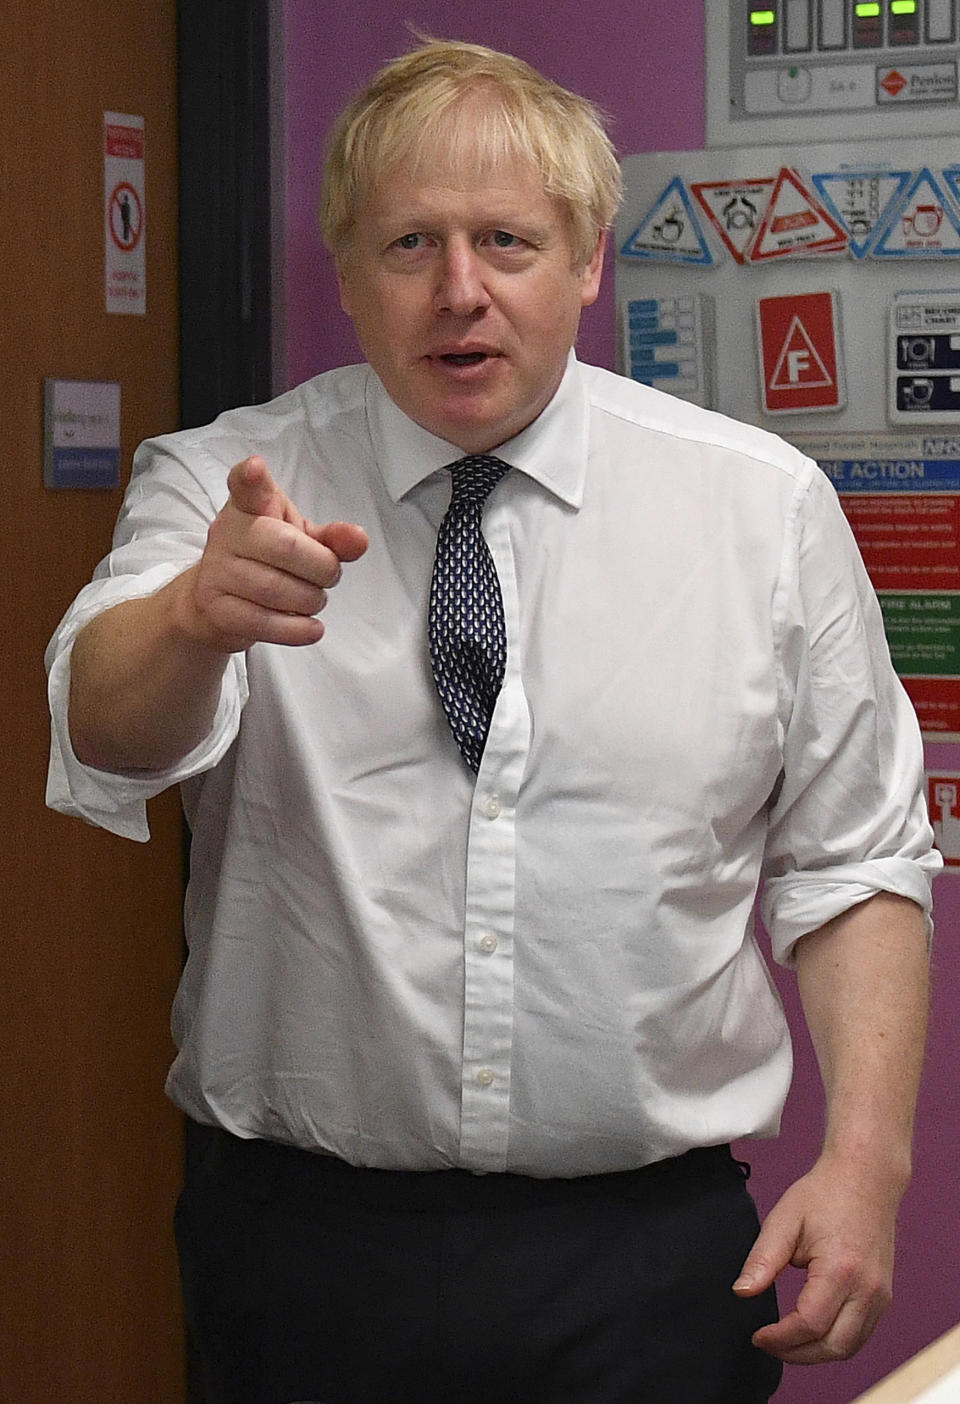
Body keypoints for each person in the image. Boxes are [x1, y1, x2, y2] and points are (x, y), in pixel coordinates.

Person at [46, 39, 940, 1404]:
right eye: (410, 243)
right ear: (345, 272)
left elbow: (855, 862)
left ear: (586, 261)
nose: (461, 291)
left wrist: (868, 1165)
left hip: (648, 1255)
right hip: (304, 1249)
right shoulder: (225, 484)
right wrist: (191, 620)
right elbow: (104, 729)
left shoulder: (759, 511)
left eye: (508, 240)